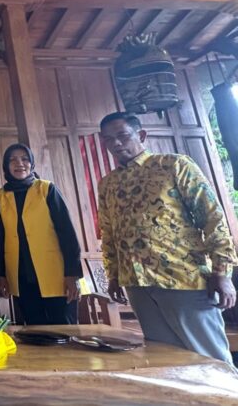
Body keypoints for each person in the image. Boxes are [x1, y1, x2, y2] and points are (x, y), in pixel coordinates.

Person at [98, 111, 237, 363]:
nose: (115, 143)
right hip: (137, 283)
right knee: (163, 358)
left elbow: (212, 217)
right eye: (108, 139)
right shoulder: (108, 183)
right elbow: (109, 232)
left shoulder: (174, 165)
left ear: (141, 135)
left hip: (182, 277)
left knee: (211, 358)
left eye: (122, 136)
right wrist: (114, 275)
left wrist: (222, 272)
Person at [0, 144, 83, 325]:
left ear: (31, 163)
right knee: (34, 330)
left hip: (55, 274)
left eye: (24, 159)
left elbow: (68, 234)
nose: (19, 163)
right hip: (21, 276)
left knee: (64, 328)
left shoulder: (47, 189)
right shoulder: (0, 197)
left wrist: (72, 274)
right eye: (13, 160)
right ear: (6, 165)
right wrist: (0, 275)